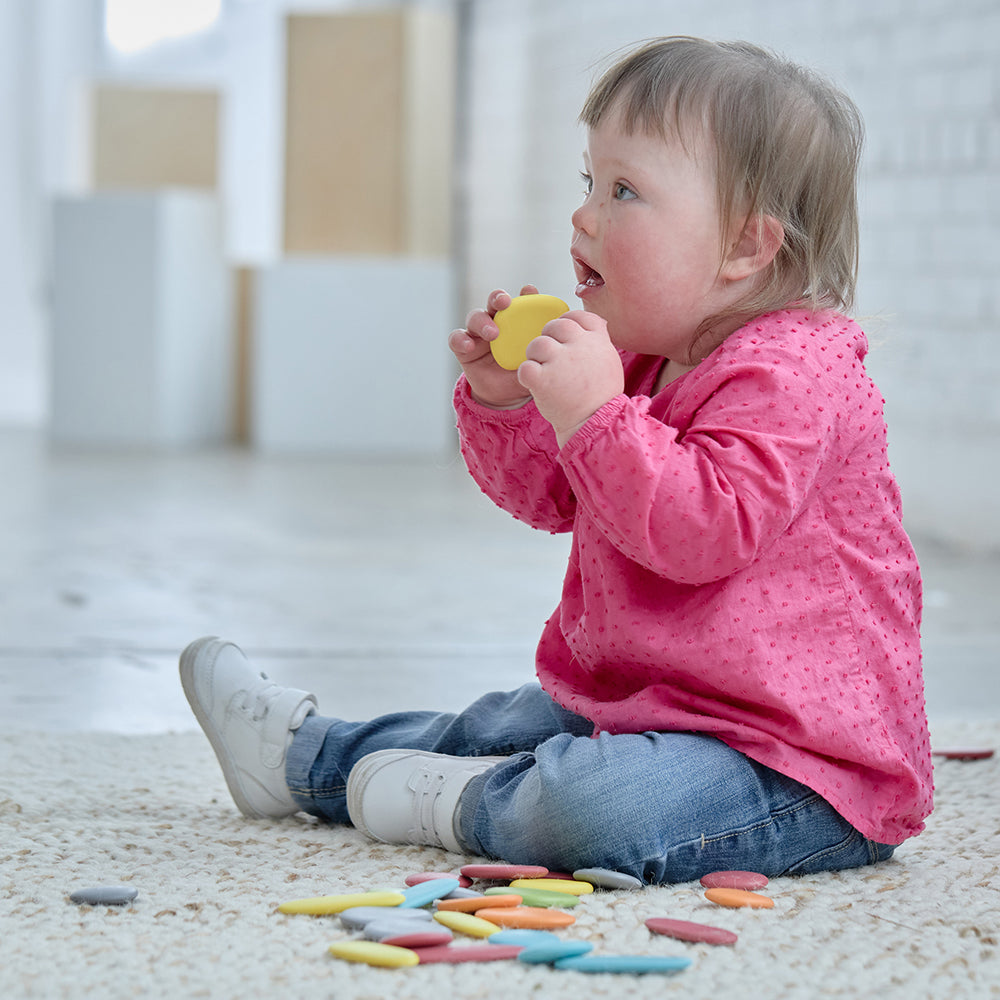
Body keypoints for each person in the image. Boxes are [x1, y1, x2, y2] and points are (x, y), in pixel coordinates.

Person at [180, 36, 933, 884]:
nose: (583, 216)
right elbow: (553, 495)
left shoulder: (798, 372)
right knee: (507, 723)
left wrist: (596, 411)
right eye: (588, 183)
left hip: (793, 764)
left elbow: (701, 529)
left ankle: (468, 806)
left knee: (594, 807)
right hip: (655, 704)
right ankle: (304, 756)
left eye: (624, 191)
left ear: (745, 248)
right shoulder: (644, 358)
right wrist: (510, 401)